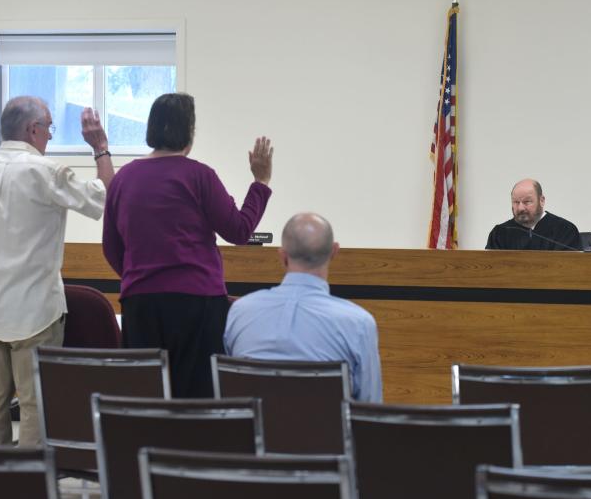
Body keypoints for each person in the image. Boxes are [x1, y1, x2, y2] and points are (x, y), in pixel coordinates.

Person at [0, 96, 113, 445]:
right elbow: (104, 198)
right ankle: (29, 490)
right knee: (35, 410)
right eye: (49, 128)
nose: (50, 137)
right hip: (35, 314)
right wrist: (100, 148)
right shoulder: (46, 171)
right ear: (33, 129)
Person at [102, 92, 272, 398]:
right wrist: (260, 183)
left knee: (145, 397)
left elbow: (112, 249)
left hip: (141, 303)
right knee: (197, 400)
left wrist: (138, 275)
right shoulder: (199, 176)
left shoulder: (124, 178)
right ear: (189, 132)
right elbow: (239, 230)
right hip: (198, 304)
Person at [224, 213, 382, 402]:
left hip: (256, 431)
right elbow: (370, 408)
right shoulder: (359, 323)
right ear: (334, 252)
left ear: (282, 256)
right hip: (327, 431)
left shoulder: (240, 312)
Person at [486, 178, 583, 251]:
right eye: (516, 202)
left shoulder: (565, 230)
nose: (520, 208)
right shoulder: (500, 233)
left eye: (527, 202)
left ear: (541, 200)